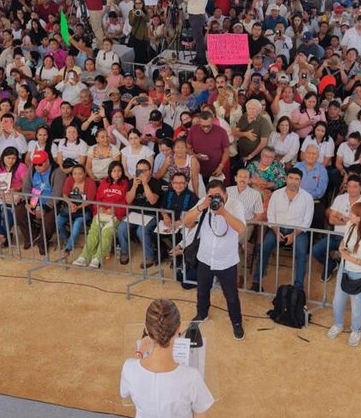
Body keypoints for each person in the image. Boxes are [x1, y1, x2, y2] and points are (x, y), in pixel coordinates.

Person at [176, 179, 247, 340]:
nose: (215, 199)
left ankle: (236, 323)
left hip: (227, 261)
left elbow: (241, 229)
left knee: (231, 296)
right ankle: (202, 313)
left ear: (225, 194)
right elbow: (187, 222)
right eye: (211, 196)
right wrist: (202, 207)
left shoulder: (236, 205)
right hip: (206, 257)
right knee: (202, 291)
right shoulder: (204, 202)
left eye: (218, 196)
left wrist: (223, 212)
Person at [120, 299, 214, 416]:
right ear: (178, 328)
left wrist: (139, 352)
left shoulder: (129, 368)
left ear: (146, 329)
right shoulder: (192, 377)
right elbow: (200, 414)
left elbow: (125, 394)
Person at [325, 202, 361, 347]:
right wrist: (341, 247)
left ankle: (356, 330)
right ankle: (338, 324)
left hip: (360, 274)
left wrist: (349, 257)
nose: (350, 215)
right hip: (344, 269)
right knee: (337, 301)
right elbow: (345, 241)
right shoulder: (350, 225)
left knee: (357, 304)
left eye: (353, 213)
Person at [254, 168, 314, 292]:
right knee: (264, 247)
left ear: (300, 181)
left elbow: (307, 222)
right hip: (277, 228)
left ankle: (298, 287)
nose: (293, 181)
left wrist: (294, 234)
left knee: (302, 253)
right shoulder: (276, 194)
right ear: (286, 179)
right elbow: (271, 215)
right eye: (291, 178)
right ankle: (256, 281)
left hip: (298, 231)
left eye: (296, 179)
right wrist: (276, 231)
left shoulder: (307, 197)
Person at [73, 162, 130, 268]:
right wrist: (99, 208)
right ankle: (84, 257)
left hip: (115, 215)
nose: (117, 173)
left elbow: (126, 202)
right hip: (101, 214)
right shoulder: (104, 182)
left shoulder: (125, 183)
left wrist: (114, 210)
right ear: (110, 172)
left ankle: (97, 258)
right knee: (93, 233)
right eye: (114, 171)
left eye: (119, 171)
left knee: (106, 234)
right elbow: (97, 199)